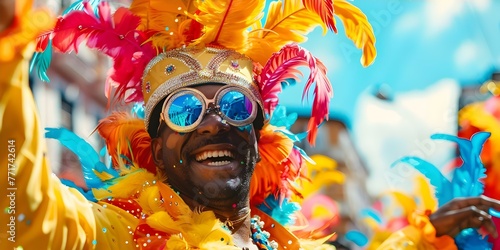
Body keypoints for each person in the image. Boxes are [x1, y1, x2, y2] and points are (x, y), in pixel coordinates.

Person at [1, 0, 500, 249]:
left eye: (237, 109)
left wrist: (423, 233)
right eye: (183, 112)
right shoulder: (120, 233)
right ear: (154, 149)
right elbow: (20, 213)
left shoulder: (277, 240)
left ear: (258, 141)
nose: (213, 123)